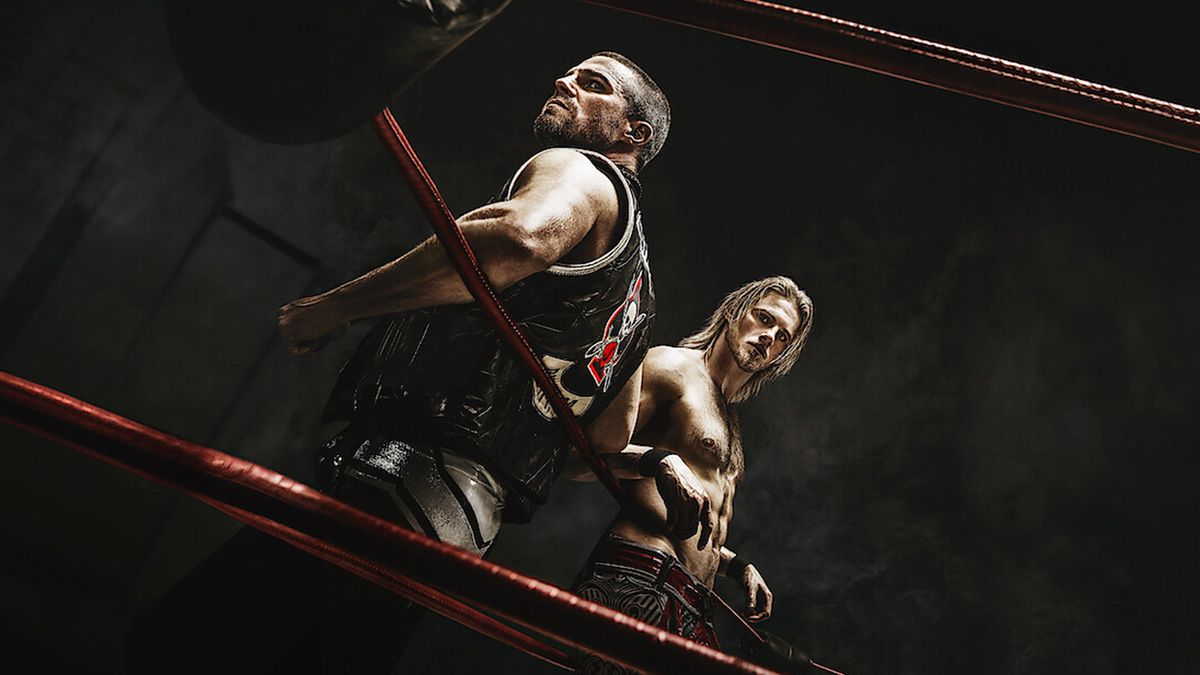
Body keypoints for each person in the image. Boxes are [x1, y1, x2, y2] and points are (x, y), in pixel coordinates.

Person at [126, 51, 709, 675]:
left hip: (398, 484)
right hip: (459, 538)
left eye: (593, 85)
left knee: (171, 647)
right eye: (567, 74)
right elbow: (604, 440)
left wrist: (337, 307)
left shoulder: (583, 173)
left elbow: (520, 239)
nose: (564, 81)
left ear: (633, 134)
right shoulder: (639, 292)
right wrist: (655, 460)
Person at [567, 276, 814, 673]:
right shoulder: (672, 368)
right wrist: (659, 461)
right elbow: (578, 458)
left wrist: (736, 565)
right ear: (734, 313)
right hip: (638, 578)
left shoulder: (729, 419)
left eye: (782, 336)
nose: (769, 336)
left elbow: (688, 515)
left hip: (692, 601)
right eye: (763, 318)